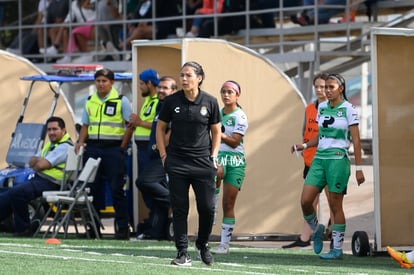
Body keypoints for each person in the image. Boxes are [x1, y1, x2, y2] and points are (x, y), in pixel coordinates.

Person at [292, 73, 365, 259]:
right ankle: (317, 229)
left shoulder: (349, 109)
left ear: (341, 89)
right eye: (325, 88)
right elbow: (321, 135)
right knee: (305, 201)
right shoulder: (322, 107)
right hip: (319, 159)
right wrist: (306, 145)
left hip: (338, 160)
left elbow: (356, 141)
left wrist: (358, 168)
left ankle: (337, 249)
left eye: (331, 87)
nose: (327, 91)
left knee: (335, 206)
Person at [156, 61, 221, 266]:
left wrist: (214, 155)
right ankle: (182, 252)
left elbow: (217, 131)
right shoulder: (171, 101)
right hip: (177, 162)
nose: (183, 79)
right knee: (180, 208)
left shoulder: (210, 101)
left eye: (188, 75)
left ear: (199, 78)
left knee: (207, 208)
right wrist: (164, 156)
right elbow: (160, 129)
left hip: (203, 162)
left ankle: (202, 244)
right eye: (181, 75)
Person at [75, 68, 134, 240]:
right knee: (92, 190)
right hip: (93, 148)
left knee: (117, 189)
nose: (101, 84)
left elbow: (130, 125)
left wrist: (122, 146)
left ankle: (122, 228)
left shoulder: (121, 100)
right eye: (98, 81)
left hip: (113, 149)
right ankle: (93, 227)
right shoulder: (90, 100)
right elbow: (85, 125)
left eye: (104, 81)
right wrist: (80, 141)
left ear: (112, 82)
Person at [283, 73, 333, 249]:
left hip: (329, 160)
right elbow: (307, 132)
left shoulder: (334, 109)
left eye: (323, 87)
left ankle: (335, 237)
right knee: (309, 202)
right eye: (317, 87)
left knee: (333, 199)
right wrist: (302, 146)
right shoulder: (310, 108)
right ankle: (305, 237)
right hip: (311, 161)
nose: (320, 90)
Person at [0, 116, 72, 237]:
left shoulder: (64, 147)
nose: (51, 133)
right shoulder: (51, 145)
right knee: (6, 194)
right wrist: (39, 163)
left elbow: (40, 165)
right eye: (49, 130)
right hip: (40, 179)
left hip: (52, 183)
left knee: (17, 192)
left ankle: (24, 230)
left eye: (55, 129)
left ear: (64, 130)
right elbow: (32, 161)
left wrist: (40, 163)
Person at [135, 76, 177, 240]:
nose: (161, 90)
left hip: (166, 154)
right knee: (152, 193)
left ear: (173, 91)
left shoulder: (173, 106)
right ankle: (156, 230)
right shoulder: (160, 105)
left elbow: (170, 132)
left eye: (165, 88)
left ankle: (175, 204)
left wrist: (161, 149)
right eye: (159, 87)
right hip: (154, 153)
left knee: (145, 181)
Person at [211, 80, 248, 255]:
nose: (226, 95)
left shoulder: (240, 116)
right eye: (223, 92)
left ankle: (224, 244)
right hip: (219, 157)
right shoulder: (217, 113)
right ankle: (213, 205)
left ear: (237, 95)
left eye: (230, 92)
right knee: (216, 172)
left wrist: (219, 133)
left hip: (235, 160)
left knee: (229, 203)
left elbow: (234, 142)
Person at [130, 69, 160, 176]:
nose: (140, 86)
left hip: (151, 148)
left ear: (150, 83)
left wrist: (140, 122)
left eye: (142, 83)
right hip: (142, 148)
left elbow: (161, 126)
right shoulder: (148, 100)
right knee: (143, 183)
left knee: (149, 182)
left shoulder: (159, 102)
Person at [291, 0, 361, 26]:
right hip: (339, 8)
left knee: (326, 5)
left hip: (345, 3)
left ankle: (309, 16)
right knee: (329, 11)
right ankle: (309, 17)